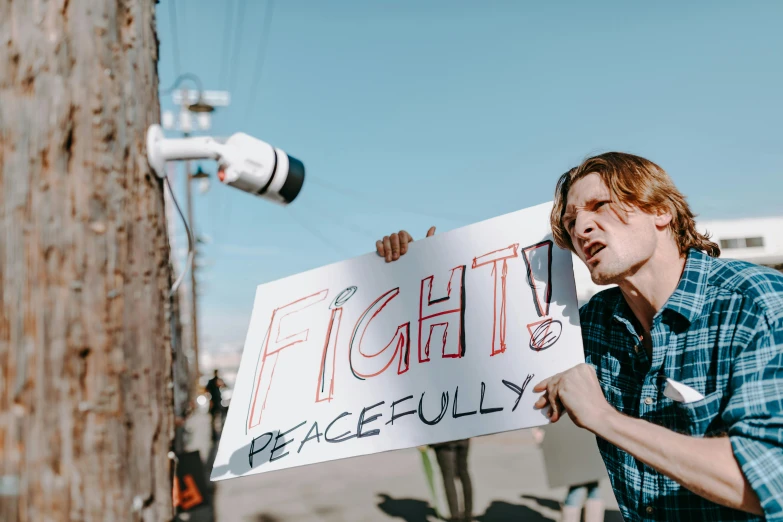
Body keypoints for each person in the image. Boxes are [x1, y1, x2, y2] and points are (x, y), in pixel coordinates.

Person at [375, 152, 783, 521]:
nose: (582, 227)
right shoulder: (588, 325)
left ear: (659, 210)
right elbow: (477, 364)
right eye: (571, 222)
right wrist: (420, 279)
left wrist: (604, 418)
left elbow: (768, 478)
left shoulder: (757, 305)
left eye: (599, 206)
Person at [205, 369, 226, 439]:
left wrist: (221, 384)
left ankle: (221, 432)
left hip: (219, 401)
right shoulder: (211, 381)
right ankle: (214, 435)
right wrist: (209, 400)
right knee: (213, 419)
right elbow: (207, 390)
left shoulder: (219, 380)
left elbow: (225, 386)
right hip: (214, 402)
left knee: (222, 417)